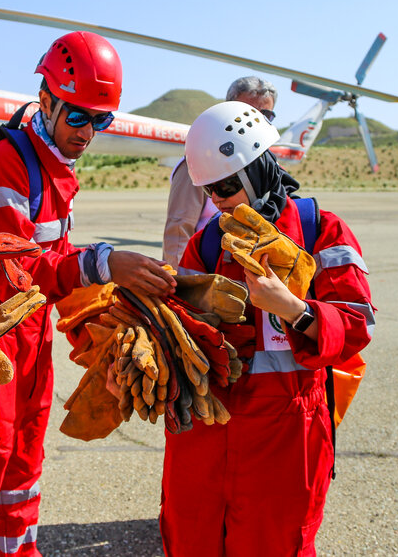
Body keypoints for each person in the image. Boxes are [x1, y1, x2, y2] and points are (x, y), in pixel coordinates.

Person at [0, 31, 176, 556]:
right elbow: (9, 266)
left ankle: (18, 550)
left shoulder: (53, 168)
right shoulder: (5, 164)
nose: (89, 133)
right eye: (79, 117)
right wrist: (104, 263)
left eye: (101, 120)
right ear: (45, 99)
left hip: (32, 331)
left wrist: (101, 317)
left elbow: (53, 257)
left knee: (23, 452)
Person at [160, 100, 374, 556]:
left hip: (285, 441)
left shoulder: (320, 231)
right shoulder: (207, 243)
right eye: (210, 192)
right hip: (206, 435)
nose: (219, 200)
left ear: (259, 168)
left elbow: (356, 323)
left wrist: (296, 309)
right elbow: (183, 329)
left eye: (227, 186)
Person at [162, 76, 278, 269]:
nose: (253, 120)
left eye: (264, 114)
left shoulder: (269, 170)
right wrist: (184, 287)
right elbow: (179, 230)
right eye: (245, 112)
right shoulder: (200, 166)